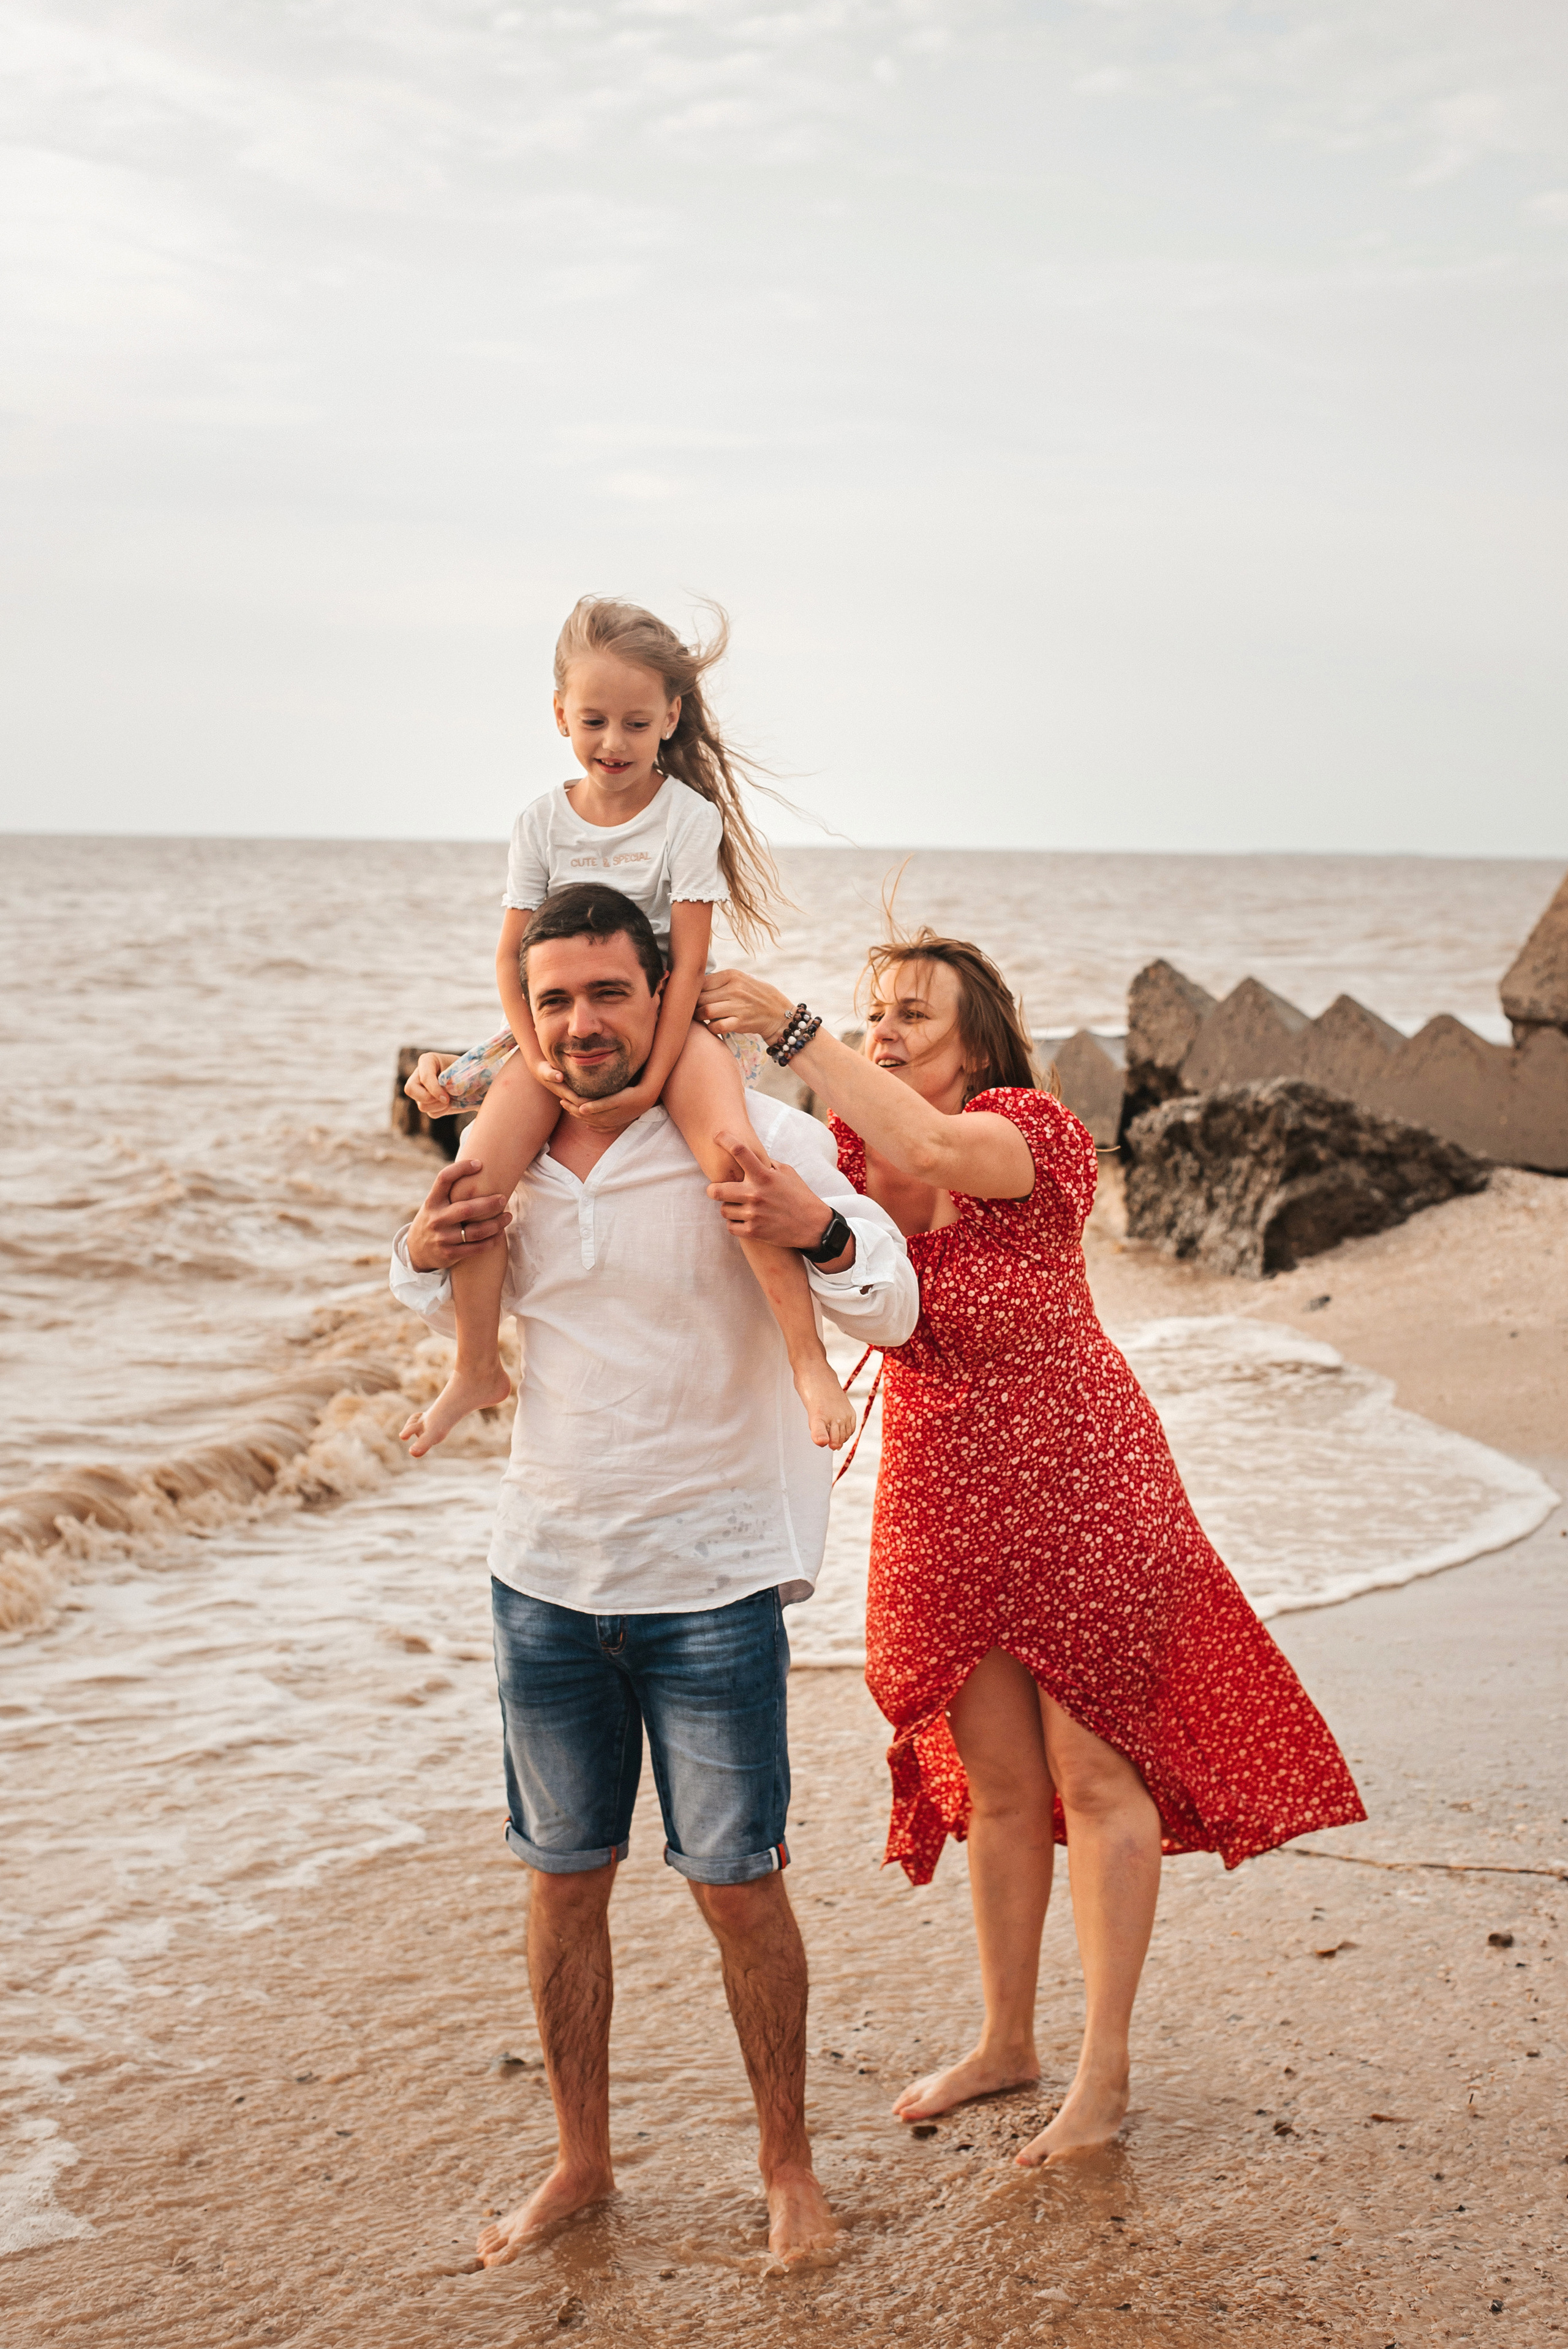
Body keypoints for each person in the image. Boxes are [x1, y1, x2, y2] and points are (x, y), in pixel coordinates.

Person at [699, 932, 1366, 2168]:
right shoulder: (841, 1155)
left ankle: (1101, 2077)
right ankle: (1006, 2040)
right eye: (871, 1013)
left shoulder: (1030, 1131)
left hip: (1082, 1472)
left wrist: (795, 1030)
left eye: (911, 1014)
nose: (882, 1030)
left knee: (1094, 1771)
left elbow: (936, 1148)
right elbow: (714, 1147)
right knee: (997, 1782)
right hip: (939, 1485)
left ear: (979, 1037)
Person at [388, 882, 919, 2265]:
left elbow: (896, 1301)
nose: (579, 1024)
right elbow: (425, 1277)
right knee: (562, 1880)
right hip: (546, 1576)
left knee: (737, 1884)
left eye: (606, 993)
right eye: (553, 999)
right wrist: (413, 1251)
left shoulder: (754, 1130)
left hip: (713, 1581)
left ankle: (788, 2166)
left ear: (660, 992)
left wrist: (816, 1227)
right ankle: (578, 2163)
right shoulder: (507, 1151)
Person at [398, 595, 853, 1461]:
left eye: (636, 723)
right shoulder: (540, 820)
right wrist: (536, 1063)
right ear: (560, 714)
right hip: (561, 1031)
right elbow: (510, 961)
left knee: (734, 1158)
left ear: (670, 718)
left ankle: (805, 1356)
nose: (614, 742)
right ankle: (474, 1365)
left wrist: (651, 1081)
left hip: (670, 1015)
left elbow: (685, 961)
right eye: (595, 719)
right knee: (472, 1181)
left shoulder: (686, 818)